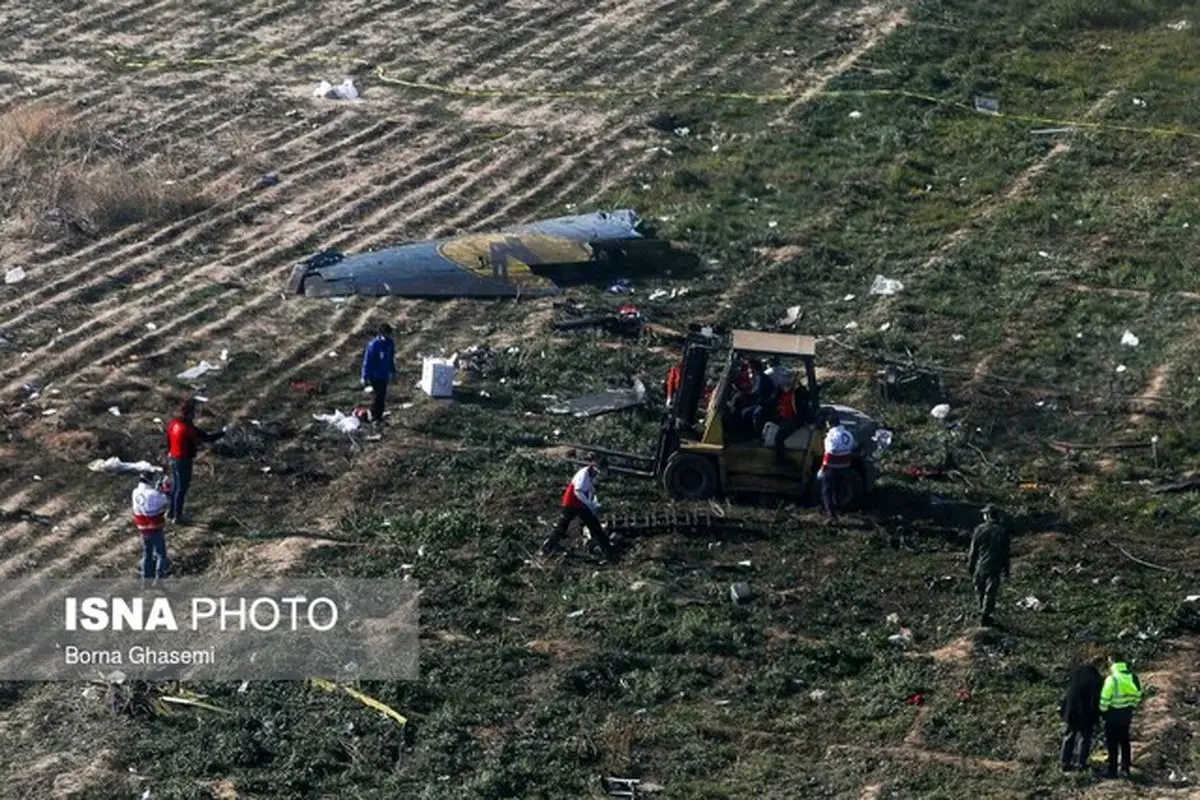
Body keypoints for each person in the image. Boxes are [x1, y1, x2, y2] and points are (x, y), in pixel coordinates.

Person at [539, 454, 615, 559]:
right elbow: (578, 491)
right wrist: (589, 505)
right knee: (564, 526)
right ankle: (548, 547)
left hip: (581, 504)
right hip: (573, 502)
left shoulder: (592, 476)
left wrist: (594, 504)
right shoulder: (584, 473)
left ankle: (606, 549)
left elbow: (591, 492)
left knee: (593, 525)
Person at [165, 397, 225, 524]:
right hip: (184, 459)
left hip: (174, 457)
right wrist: (223, 433)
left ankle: (171, 512)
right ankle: (178, 516)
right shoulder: (188, 428)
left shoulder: (173, 424)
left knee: (176, 486)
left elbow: (168, 439)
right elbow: (206, 438)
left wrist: (169, 451)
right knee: (182, 487)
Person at [1099, 654, 1143, 779]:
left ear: (1112, 663)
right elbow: (1139, 694)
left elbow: (1105, 698)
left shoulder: (1111, 679)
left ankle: (1112, 770)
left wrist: (1103, 711)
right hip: (1126, 714)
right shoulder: (1133, 677)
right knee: (1124, 741)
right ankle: (1125, 769)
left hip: (1112, 714)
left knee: (1112, 743)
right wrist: (1131, 705)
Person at [966, 505, 1011, 626]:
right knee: (991, 590)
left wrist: (970, 565)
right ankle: (985, 613)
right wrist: (1006, 570)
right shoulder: (1003, 531)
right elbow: (1005, 553)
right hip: (996, 565)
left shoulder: (979, 529)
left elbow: (973, 550)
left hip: (981, 564)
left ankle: (982, 610)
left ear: (988, 515)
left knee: (979, 588)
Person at [1060, 652, 1105, 772]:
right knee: (1084, 739)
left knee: (1069, 736)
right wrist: (1097, 716)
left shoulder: (1077, 673)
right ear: (1099, 665)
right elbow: (1095, 700)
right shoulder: (1097, 679)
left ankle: (1065, 763)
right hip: (1086, 713)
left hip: (1071, 711)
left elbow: (1068, 693)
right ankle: (1081, 764)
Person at [132, 473, 171, 580]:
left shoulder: (135, 492)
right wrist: (165, 488)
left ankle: (146, 578)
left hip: (142, 528)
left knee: (147, 553)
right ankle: (159, 578)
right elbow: (166, 500)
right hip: (155, 527)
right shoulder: (153, 494)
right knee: (161, 554)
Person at [817, 411, 854, 521]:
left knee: (827, 491)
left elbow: (829, 452)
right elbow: (852, 446)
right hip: (845, 466)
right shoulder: (848, 434)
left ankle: (831, 515)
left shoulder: (830, 437)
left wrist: (823, 468)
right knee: (838, 489)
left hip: (832, 467)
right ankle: (839, 508)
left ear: (829, 423)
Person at [361, 323, 396, 423]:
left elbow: (390, 359)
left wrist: (392, 371)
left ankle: (377, 415)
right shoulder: (374, 345)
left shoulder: (390, 344)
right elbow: (367, 361)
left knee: (382, 396)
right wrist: (365, 376)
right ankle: (376, 417)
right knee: (378, 396)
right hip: (374, 375)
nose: (387, 337)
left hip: (384, 375)